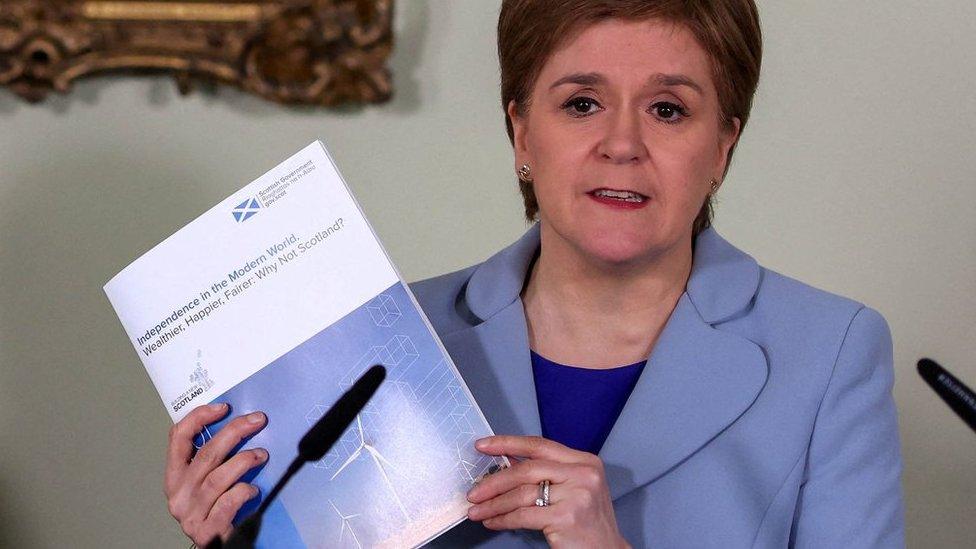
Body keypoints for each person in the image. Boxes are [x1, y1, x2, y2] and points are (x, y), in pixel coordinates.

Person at [164, 0, 905, 546]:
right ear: (521, 131)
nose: (622, 143)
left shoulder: (832, 352)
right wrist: (234, 539)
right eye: (581, 103)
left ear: (722, 146)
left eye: (669, 110)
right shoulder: (389, 336)